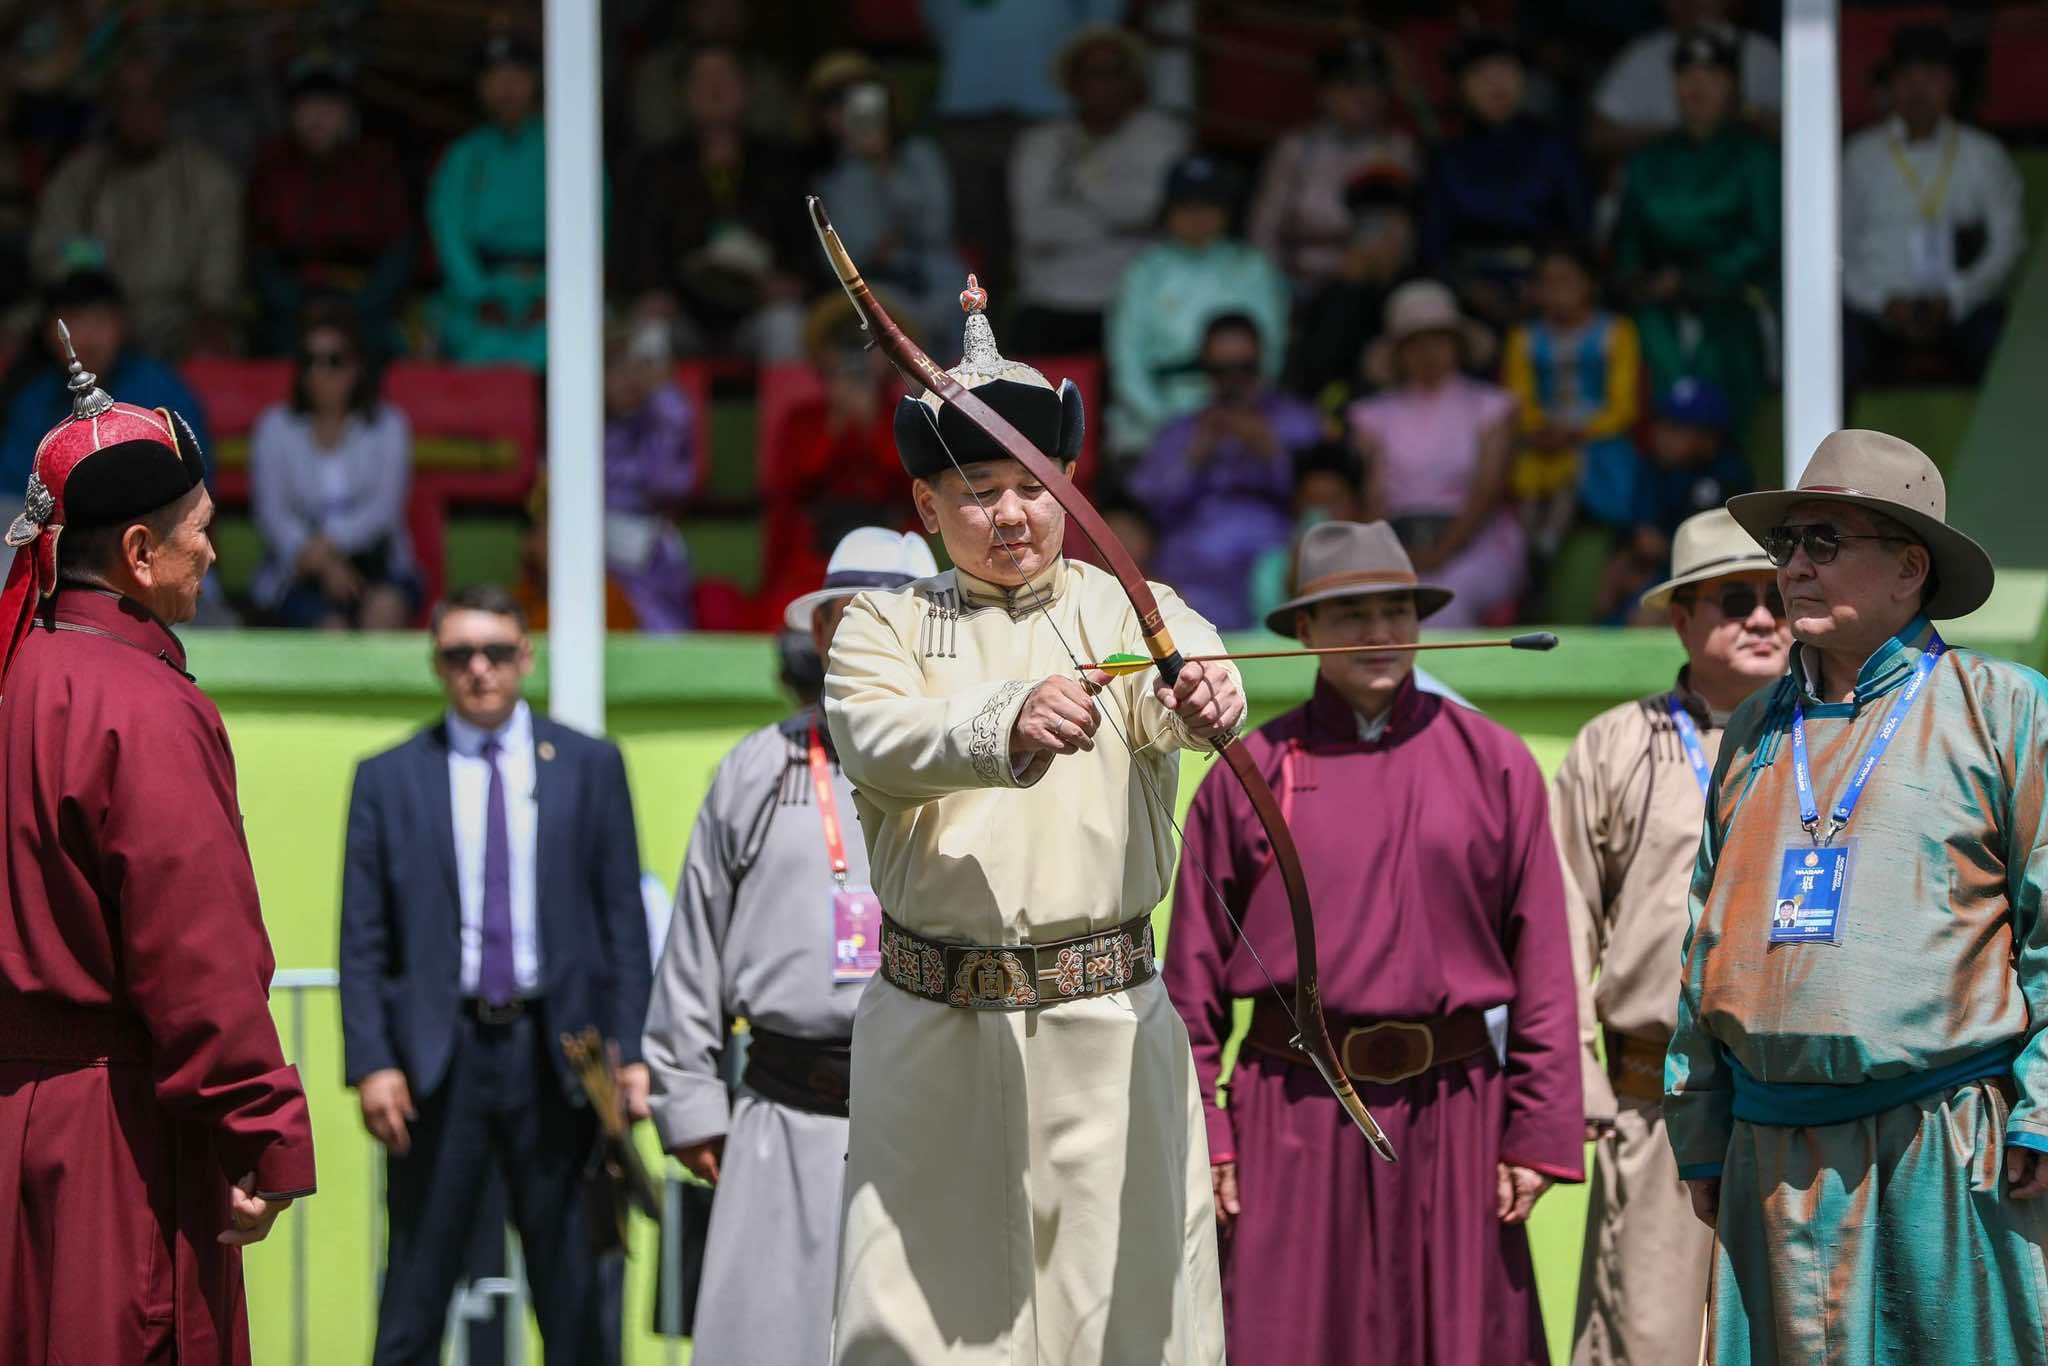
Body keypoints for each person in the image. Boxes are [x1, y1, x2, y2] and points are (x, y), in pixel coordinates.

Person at [824, 283, 1239, 1365]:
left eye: (1032, 485)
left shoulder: (1120, 603)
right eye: (976, 492)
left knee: (1129, 1325)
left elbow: (1184, 675)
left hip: (1105, 1024)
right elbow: (879, 738)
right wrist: (1007, 719)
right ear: (924, 509)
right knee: (909, 1331)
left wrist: (1206, 696)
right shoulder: (882, 623)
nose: (1010, 514)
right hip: (932, 1030)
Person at [1667, 430, 2048, 1363]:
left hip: (1947, 1147)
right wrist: (1701, 1122)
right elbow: (1703, 935)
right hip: (1769, 1152)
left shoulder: (2003, 707)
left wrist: (2044, 1104)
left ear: (1909, 568)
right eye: (1785, 544)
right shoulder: (1756, 725)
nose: (1791, 568)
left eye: (1822, 543)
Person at [1164, 518, 1581, 1365]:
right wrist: (1208, 1133)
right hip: (1291, 1112)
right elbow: (1190, 984)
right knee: (1286, 1341)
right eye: (1350, 614)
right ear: (1305, 632)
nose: (1379, 634)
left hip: (1459, 1110)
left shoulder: (1496, 764)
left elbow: (1544, 967)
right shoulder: (1246, 778)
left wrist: (1536, 1131)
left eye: (1397, 610)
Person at [0, 340, 315, 1364]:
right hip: (114, 1144)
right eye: (201, 533)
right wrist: (264, 1130)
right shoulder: (143, 706)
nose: (214, 556)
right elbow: (197, 953)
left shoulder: (17, 678)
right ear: (139, 551)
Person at [643, 526, 938, 1366]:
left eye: (894, 622)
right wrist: (689, 1098)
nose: (868, 643)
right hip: (780, 1114)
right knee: (768, 1344)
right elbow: (693, 945)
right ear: (818, 636)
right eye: (850, 621)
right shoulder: (754, 769)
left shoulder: (974, 766)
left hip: (935, 1114)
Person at [339, 585, 654, 1365]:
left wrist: (635, 1052)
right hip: (439, 1062)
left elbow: (621, 925)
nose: (479, 669)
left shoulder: (589, 766)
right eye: (459, 655)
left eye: (496, 652)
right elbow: (363, 937)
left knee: (576, 1298)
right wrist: (373, 1062)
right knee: (414, 1295)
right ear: (437, 664)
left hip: (561, 1059)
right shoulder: (389, 778)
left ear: (525, 658)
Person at [1549, 508, 1789, 1366]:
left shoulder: (1832, 736)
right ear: (1680, 617)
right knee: (1647, 1337)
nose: (1763, 617)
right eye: (1734, 599)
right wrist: (1575, 1085)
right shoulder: (1616, 746)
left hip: (1798, 1114)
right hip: (1654, 1107)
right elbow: (1561, 924)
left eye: (1776, 597)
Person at [1612, 24, 1779, 435]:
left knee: (1726, 343)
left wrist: (1689, 280)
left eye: (1712, 75)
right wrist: (1637, 277)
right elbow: (1628, 233)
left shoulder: (1755, 155)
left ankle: (1725, 470)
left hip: (1732, 295)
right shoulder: (1650, 158)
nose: (1697, 86)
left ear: (1733, 85)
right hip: (1656, 301)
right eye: (1687, 75)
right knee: (1639, 337)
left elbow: (1764, 238)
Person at [1842, 25, 2025, 390]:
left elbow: (2008, 246)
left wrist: (1956, 298)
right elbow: (1835, 249)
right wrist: (1880, 301)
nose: (1917, 90)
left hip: (1963, 305)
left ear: (1952, 85)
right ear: (1889, 86)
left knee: (2009, 351)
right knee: (1832, 348)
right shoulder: (1859, 156)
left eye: (1930, 76)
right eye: (1906, 77)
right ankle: (1830, 448)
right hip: (1877, 308)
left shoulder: (1984, 154)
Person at [29, 57, 241, 358]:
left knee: (214, 344)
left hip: (173, 320)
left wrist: (209, 320)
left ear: (167, 101)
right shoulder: (78, 175)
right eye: (127, 98)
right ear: (111, 106)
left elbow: (218, 285)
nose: (138, 110)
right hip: (91, 311)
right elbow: (48, 256)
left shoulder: (208, 178)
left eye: (149, 96)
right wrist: (85, 281)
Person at [1126, 311, 1321, 630]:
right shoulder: (1180, 430)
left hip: (1273, 557)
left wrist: (1269, 448)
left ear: (1261, 365)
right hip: (1192, 562)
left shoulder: (1295, 421)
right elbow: (1147, 502)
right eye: (1220, 371)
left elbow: (1325, 493)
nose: (1232, 381)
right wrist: (1195, 455)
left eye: (1243, 369)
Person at [1348, 279, 1524, 627]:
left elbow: (1486, 491)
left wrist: (1442, 552)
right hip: (1397, 546)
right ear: (1399, 353)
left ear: (1457, 344)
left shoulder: (1490, 407)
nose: (1428, 353)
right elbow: (1374, 500)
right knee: (1369, 602)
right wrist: (1393, 558)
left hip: (1478, 544)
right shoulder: (1374, 415)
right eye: (1416, 344)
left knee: (1445, 597)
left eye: (1438, 340)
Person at [618, 45, 808, 362]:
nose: (715, 88)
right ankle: (656, 415)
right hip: (683, 310)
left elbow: (803, 242)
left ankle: (786, 414)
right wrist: (652, 292)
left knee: (787, 323)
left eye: (725, 78)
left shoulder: (781, 164)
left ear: (746, 89)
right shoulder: (654, 167)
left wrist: (791, 281)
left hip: (758, 308)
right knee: (649, 330)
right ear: (684, 94)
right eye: (703, 80)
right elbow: (638, 246)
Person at [1009, 23, 1188, 355]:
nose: (1102, 83)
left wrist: (1077, 191)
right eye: (1090, 73)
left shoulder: (1162, 137)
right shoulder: (1041, 142)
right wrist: (1119, 224)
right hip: (1049, 298)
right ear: (1072, 82)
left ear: (1133, 80)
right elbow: (1033, 229)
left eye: (1113, 72)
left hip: (1133, 299)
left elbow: (1145, 208)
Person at [921, 0, 1128, 273]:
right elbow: (939, 20)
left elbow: (1100, 30)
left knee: (1055, 231)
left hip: (1049, 110)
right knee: (970, 239)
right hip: (968, 111)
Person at [755, 293, 922, 631]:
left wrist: (873, 423)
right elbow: (791, 487)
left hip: (887, 546)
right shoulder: (803, 419)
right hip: (816, 550)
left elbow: (912, 485)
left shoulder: (905, 414)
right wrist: (836, 426)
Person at [249, 305, 419, 629]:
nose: (319, 373)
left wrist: (326, 550)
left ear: (358, 367)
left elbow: (383, 511)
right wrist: (322, 564)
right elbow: (271, 513)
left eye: (334, 361)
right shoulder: (274, 426)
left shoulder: (389, 425)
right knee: (330, 631)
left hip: (378, 564)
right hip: (296, 569)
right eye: (309, 361)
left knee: (383, 612)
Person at [1106, 155, 1288, 457]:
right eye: (1186, 206)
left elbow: (1270, 352)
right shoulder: (1145, 271)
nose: (1196, 216)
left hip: (1241, 413)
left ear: (1225, 212)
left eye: (1207, 206)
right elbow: (1127, 361)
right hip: (1155, 415)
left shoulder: (1251, 267)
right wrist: (1166, 424)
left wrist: (1235, 418)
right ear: (1168, 211)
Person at [0, 268, 208, 529]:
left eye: (99, 321)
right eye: (74, 322)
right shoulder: (34, 400)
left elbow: (193, 482)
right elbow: (12, 493)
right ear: (49, 333)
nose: (87, 337)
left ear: (122, 325)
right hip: (55, 540)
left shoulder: (162, 391)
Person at [1419, 32, 1588, 330]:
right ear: (1461, 88)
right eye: (1481, 75)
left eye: (1505, 70)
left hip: (1547, 291)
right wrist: (1469, 290)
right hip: (1467, 296)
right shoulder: (1446, 157)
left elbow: (1577, 227)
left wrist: (1542, 286)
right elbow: (1432, 246)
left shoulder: (1554, 147)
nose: (1496, 84)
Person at [248, 53, 413, 359]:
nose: (317, 118)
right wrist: (294, 303)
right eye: (306, 106)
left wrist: (359, 305)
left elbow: (397, 252)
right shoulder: (273, 167)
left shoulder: (376, 165)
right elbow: (260, 255)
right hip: (291, 308)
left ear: (348, 113)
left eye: (328, 106)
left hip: (362, 304)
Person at [808, 54, 969, 351]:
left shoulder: (921, 156)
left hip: (933, 276)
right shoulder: (830, 180)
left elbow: (936, 228)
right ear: (826, 117)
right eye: (836, 101)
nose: (850, 109)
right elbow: (842, 256)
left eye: (861, 94)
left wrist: (884, 167)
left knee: (954, 291)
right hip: (873, 287)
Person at [1249, 36, 1418, 300]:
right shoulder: (1296, 148)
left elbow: (1403, 231)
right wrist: (1272, 286)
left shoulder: (1398, 148)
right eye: (1350, 86)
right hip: (1298, 280)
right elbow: (1264, 229)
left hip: (1368, 283)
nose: (1364, 97)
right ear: (1325, 93)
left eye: (1374, 87)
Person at [1502, 242, 1642, 552]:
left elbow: (1623, 406)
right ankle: (1527, 547)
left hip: (1597, 439)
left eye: (1565, 281)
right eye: (1547, 283)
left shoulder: (1616, 332)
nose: (1555, 292)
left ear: (1590, 284)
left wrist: (1577, 431)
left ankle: (1548, 543)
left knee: (1572, 465)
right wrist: (1538, 429)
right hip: (1541, 437)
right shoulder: (1524, 338)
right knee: (1527, 467)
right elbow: (1518, 399)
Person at [428, 32, 547, 368]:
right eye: (495, 76)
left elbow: (592, 228)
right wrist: (479, 294)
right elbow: (448, 232)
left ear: (536, 81)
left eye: (517, 75)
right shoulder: (464, 155)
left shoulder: (563, 144)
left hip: (550, 290)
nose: (506, 86)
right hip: (479, 293)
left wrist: (551, 293)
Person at [1589, 0, 1781, 163]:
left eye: (1712, 73)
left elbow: (1801, 134)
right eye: (1684, 73)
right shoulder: (1643, 54)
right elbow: (1597, 136)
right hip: (1664, 180)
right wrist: (1678, 136)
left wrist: (1744, 116)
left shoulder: (1761, 54)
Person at [602, 319, 696, 632]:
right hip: (590, 552)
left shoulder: (658, 422)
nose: (630, 380)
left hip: (648, 555)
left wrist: (660, 394)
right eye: (617, 369)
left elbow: (666, 484)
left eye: (637, 369)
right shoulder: (576, 422)